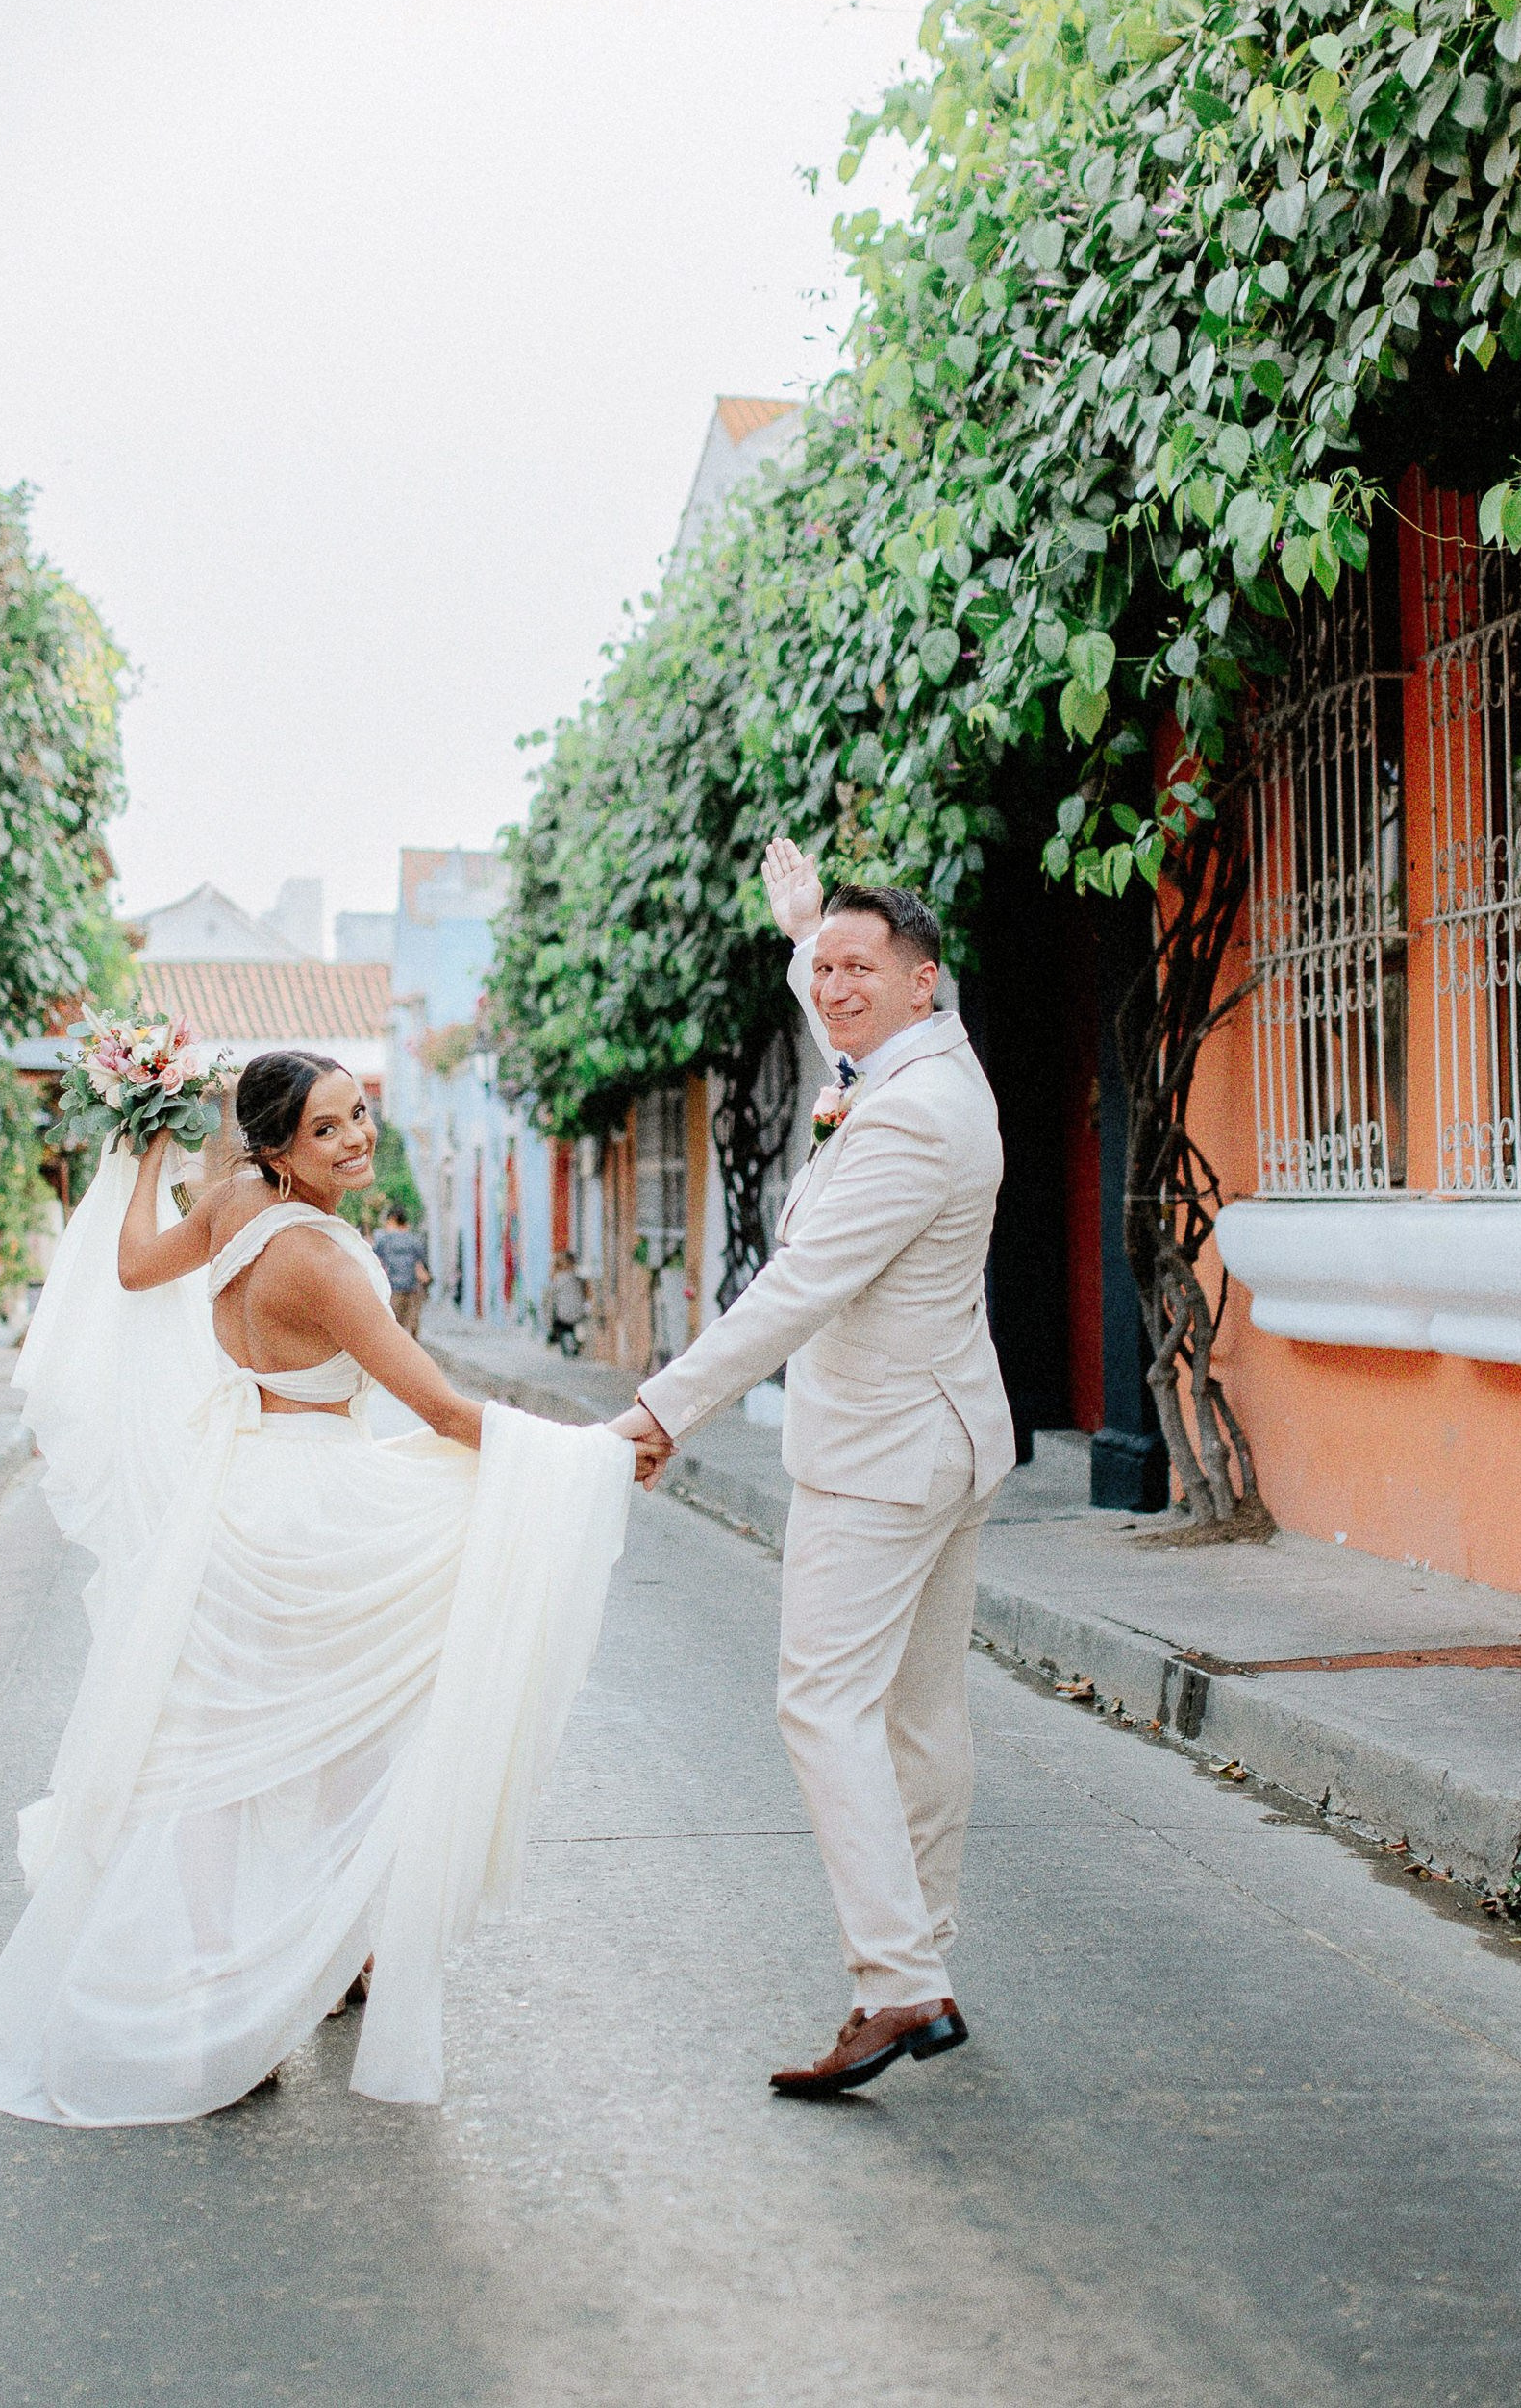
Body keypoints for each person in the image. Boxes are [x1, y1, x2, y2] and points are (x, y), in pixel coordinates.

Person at [0, 1051, 657, 2125]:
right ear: (275, 1147)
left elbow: (132, 1267)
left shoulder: (229, 1205)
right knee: (352, 1735)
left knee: (223, 1756)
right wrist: (592, 1450)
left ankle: (254, 1971)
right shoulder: (318, 1256)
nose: (356, 1138)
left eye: (360, 1114)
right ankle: (302, 1967)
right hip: (318, 1507)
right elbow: (447, 1413)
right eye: (326, 1130)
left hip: (234, 1503)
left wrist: (143, 1153)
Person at [613, 837, 1014, 2101]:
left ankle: (892, 1981)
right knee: (917, 1711)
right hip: (945, 1436)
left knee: (823, 1705)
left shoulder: (909, 1117)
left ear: (924, 980)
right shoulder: (924, 1063)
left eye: (860, 968)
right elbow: (841, 996)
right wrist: (809, 933)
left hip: (882, 1459)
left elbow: (796, 1289)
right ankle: (928, 1962)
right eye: (821, 967)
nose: (832, 985)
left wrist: (662, 1408)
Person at [372, 1203, 431, 1334]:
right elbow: (422, 1264)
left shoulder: (384, 1241)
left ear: (392, 1219)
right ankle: (413, 1353)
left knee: (394, 1327)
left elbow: (375, 1262)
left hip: (393, 1288)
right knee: (412, 1326)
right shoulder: (415, 1240)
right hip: (412, 1288)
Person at [543, 1248, 589, 1356]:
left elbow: (550, 1300)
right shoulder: (577, 1278)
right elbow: (586, 1294)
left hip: (562, 1315)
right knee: (571, 1327)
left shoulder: (558, 1279)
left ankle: (557, 1339)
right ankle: (574, 1344)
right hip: (578, 1312)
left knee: (561, 1326)